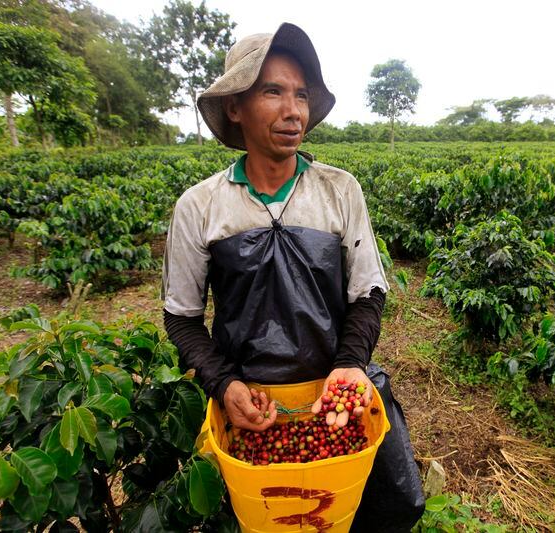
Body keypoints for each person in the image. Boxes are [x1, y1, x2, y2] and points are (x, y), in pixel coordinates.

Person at [161, 22, 424, 532]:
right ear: (236, 107)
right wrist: (224, 384)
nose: (293, 110)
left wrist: (349, 366)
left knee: (371, 506)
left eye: (301, 94)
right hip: (252, 404)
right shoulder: (201, 205)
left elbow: (367, 292)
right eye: (273, 91)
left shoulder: (338, 190)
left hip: (333, 396)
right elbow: (183, 319)